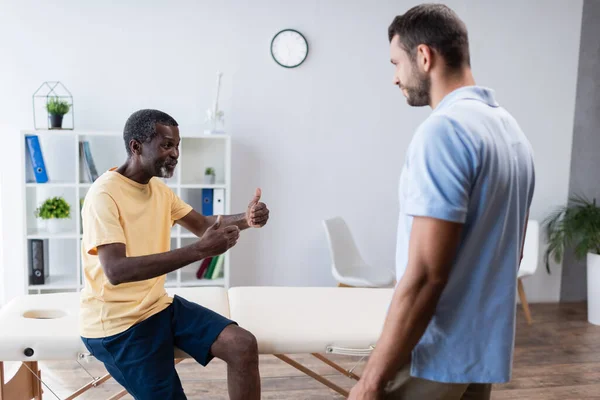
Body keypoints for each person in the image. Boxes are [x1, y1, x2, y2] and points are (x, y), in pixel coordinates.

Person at [349, 4, 535, 400]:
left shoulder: (444, 132)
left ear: (424, 56)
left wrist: (370, 381)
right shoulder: (510, 130)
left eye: (396, 62)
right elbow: (513, 254)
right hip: (478, 354)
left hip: (433, 353)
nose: (394, 78)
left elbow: (425, 276)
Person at [79, 109, 269, 400]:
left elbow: (204, 225)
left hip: (157, 307)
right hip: (118, 326)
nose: (175, 153)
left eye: (177, 145)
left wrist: (246, 219)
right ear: (136, 146)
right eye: (167, 145)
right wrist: (199, 250)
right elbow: (116, 271)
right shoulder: (103, 196)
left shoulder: (158, 189)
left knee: (241, 345)